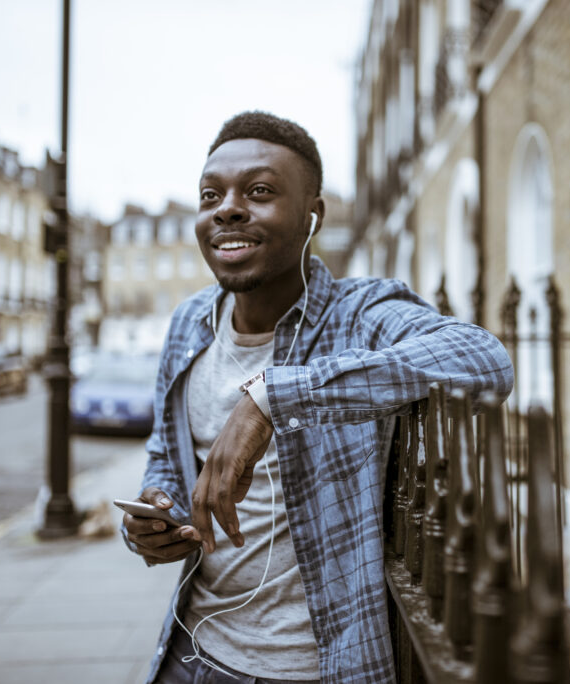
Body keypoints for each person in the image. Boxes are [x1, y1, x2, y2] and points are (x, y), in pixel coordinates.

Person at [121, 111, 514, 684]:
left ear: (313, 214)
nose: (226, 208)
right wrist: (156, 509)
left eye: (258, 191)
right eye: (211, 195)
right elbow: (166, 452)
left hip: (316, 669)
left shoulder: (361, 314)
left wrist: (275, 398)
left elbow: (485, 360)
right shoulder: (188, 323)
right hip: (191, 654)